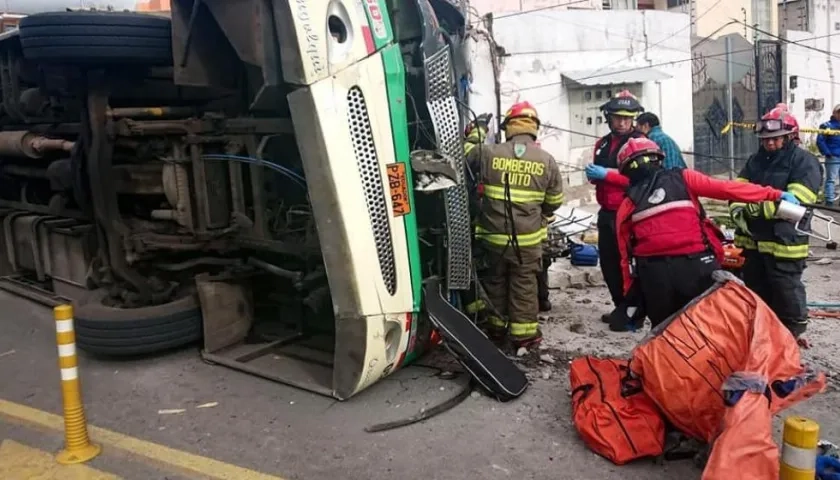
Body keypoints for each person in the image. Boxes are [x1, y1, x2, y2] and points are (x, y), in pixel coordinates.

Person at [586, 138, 797, 331]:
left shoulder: (627, 204)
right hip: (697, 266)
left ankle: (671, 370)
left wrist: (631, 299)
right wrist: (775, 194)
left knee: (666, 334)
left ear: (625, 171)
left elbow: (626, 258)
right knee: (707, 326)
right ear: (658, 159)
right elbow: (728, 189)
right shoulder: (683, 178)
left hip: (655, 275)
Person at [467, 101, 564, 347]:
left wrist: (478, 130)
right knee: (524, 285)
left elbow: (465, 154)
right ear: (534, 129)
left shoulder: (489, 153)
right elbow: (554, 201)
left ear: (508, 127)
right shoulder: (547, 160)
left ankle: (497, 329)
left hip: (492, 237)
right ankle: (524, 337)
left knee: (495, 282)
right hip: (528, 241)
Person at [729, 106, 822, 338]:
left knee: (786, 288)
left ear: (789, 136)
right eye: (765, 140)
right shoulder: (756, 160)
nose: (769, 144)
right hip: (753, 242)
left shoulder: (804, 161)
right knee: (756, 288)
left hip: (785, 242)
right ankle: (763, 333)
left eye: (775, 139)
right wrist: (738, 209)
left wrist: (754, 208)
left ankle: (793, 332)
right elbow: (736, 189)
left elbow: (798, 200)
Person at [584, 90, 645, 324]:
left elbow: (640, 179)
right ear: (609, 118)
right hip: (607, 212)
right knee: (609, 263)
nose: (622, 122)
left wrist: (608, 175)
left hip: (628, 212)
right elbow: (600, 175)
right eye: (618, 118)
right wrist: (594, 176)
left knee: (628, 264)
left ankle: (634, 311)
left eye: (627, 118)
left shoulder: (639, 143)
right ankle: (620, 305)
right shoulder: (603, 144)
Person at [817, 104, 840, 205]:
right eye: (839, 112)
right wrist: (827, 153)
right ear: (834, 113)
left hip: (834, 155)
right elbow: (820, 141)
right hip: (833, 156)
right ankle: (829, 201)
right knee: (831, 180)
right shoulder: (826, 125)